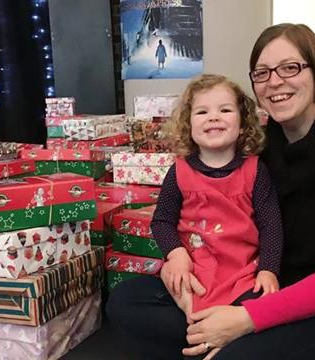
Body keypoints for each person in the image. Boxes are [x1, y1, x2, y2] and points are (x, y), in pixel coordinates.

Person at [107, 23, 315, 360]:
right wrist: (180, 268)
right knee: (127, 301)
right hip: (256, 284)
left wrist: (246, 319)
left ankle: (219, 341)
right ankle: (211, 336)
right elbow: (198, 221)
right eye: (261, 73)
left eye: (290, 67)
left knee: (235, 355)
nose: (274, 81)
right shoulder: (261, 146)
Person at [107, 73, 284, 359]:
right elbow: (162, 220)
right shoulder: (179, 171)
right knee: (123, 300)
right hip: (191, 280)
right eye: (202, 112)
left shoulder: (255, 171)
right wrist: (176, 254)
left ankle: (218, 337)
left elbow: (271, 225)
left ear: (242, 124)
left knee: (266, 315)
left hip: (241, 280)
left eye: (225, 110)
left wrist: (269, 269)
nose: (213, 117)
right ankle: (204, 337)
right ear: (189, 125)